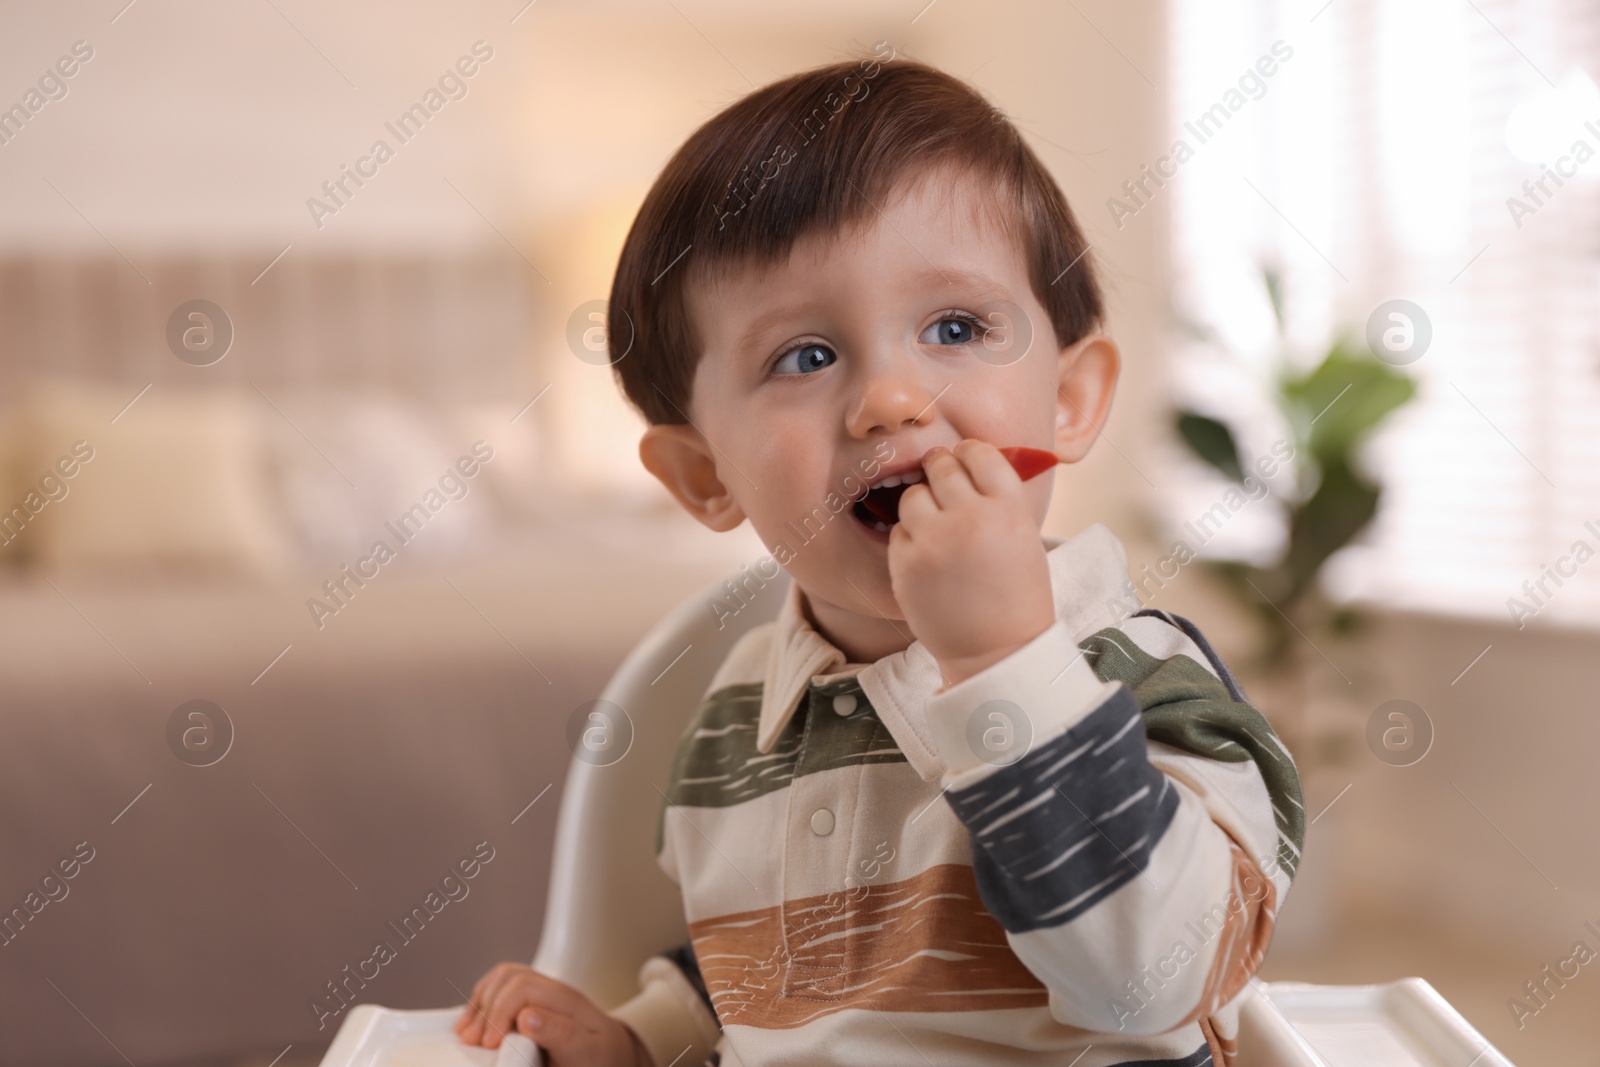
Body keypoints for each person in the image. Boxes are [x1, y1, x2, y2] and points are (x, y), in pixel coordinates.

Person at [456, 49, 1304, 1067]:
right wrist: (644, 1038)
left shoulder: (1138, 676)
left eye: (954, 326)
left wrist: (1004, 663)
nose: (891, 399)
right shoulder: (732, 716)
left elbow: (1157, 981)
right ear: (703, 475)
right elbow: (771, 971)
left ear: (1069, 402)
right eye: (804, 356)